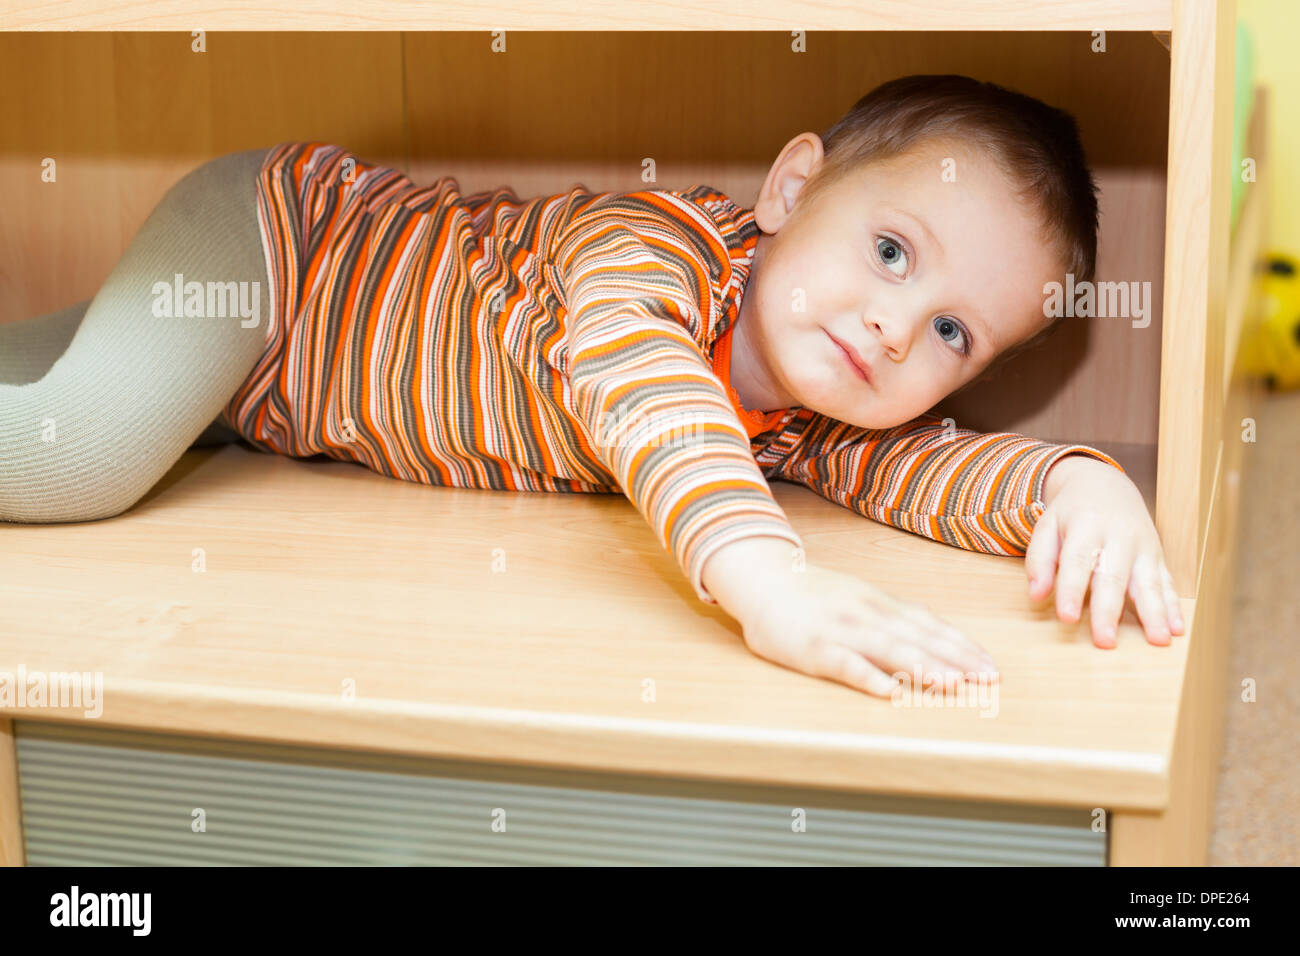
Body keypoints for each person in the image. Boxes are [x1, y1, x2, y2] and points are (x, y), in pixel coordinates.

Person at [0, 75, 1184, 697]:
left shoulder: (814, 418)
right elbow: (641, 376)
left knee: (52, 375)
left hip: (249, 399)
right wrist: (765, 581)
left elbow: (932, 468)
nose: (891, 324)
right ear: (789, 189)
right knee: (73, 452)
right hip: (275, 254)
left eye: (950, 331)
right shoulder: (650, 247)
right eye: (888, 250)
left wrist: (1075, 487)